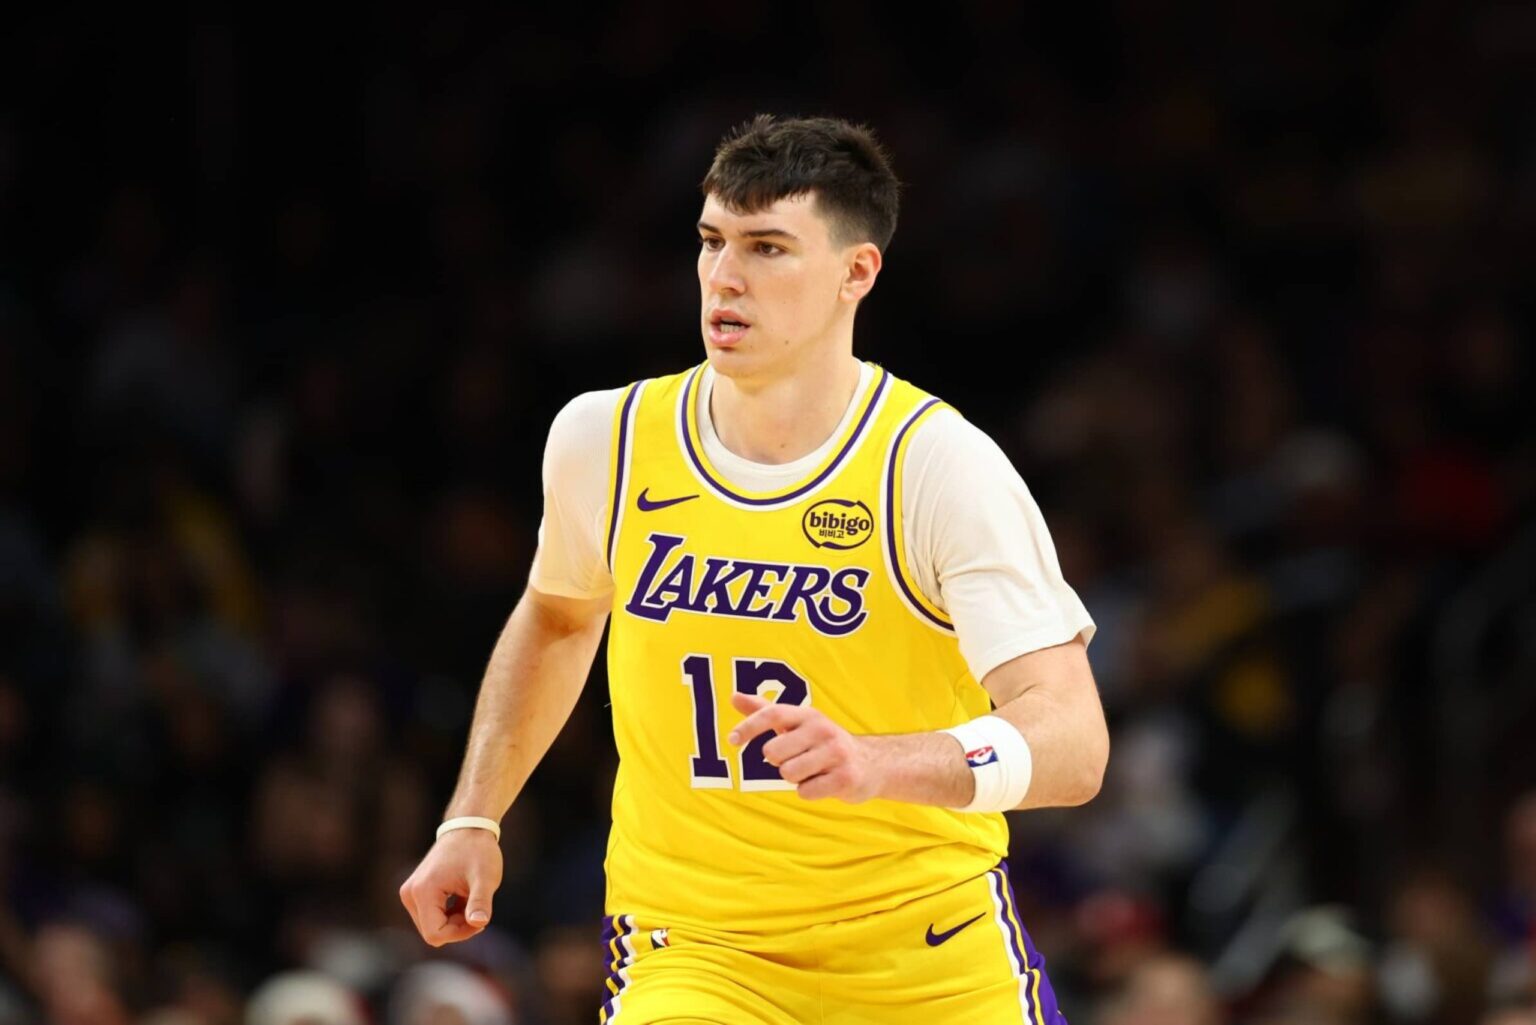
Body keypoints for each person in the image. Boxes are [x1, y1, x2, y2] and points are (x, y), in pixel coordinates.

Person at [399, 113, 1109, 1024]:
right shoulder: (605, 440)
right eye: (711, 240)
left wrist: (880, 761)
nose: (724, 276)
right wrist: (473, 816)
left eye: (768, 247)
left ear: (858, 272)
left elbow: (1073, 742)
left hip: (922, 949)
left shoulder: (936, 466)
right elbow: (561, 614)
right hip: (697, 951)